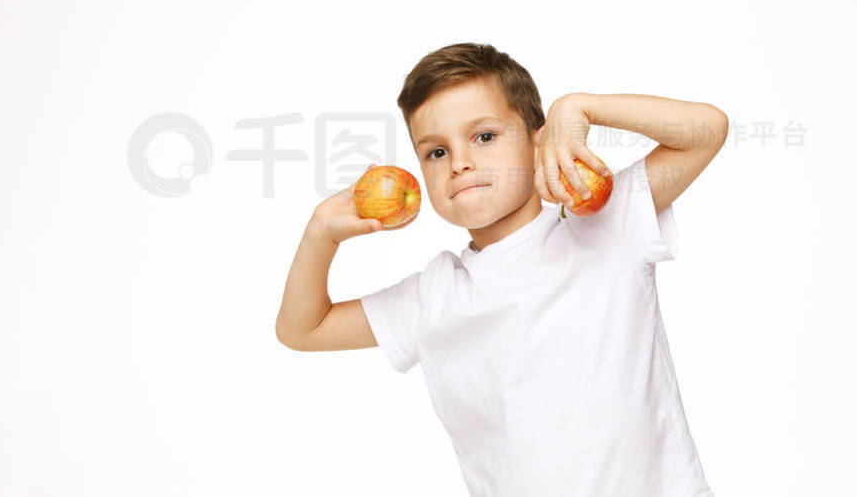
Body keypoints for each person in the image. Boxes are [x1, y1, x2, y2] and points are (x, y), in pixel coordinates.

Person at [275, 42, 728, 496]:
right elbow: (303, 329)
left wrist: (579, 106)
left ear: (538, 140)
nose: (460, 163)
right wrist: (321, 233)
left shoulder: (607, 225)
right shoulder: (434, 295)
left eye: (484, 136)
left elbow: (706, 131)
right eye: (436, 152)